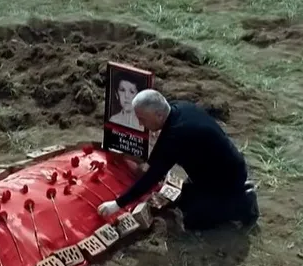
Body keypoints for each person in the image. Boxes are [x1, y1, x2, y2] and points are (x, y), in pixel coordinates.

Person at [98, 90, 258, 231]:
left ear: (158, 115)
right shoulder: (178, 108)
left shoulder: (177, 135)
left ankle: (243, 204)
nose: (141, 124)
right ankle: (231, 194)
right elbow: (163, 146)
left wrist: (117, 204)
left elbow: (152, 177)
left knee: (193, 221)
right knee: (185, 199)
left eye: (142, 119)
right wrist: (147, 162)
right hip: (219, 168)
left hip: (227, 177)